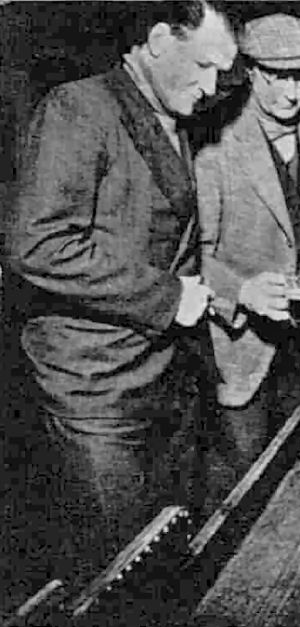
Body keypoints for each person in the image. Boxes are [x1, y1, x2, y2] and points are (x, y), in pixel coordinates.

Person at [4, 0, 236, 594]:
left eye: (222, 73)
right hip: (97, 392)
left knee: (168, 570)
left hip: (161, 382)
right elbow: (37, 244)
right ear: (158, 40)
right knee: (118, 581)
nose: (213, 88)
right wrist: (167, 297)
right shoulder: (80, 107)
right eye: (205, 66)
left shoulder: (172, 116)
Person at [195, 14, 300, 453]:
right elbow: (192, 252)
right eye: (280, 76)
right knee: (249, 475)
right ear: (251, 70)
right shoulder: (212, 134)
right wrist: (240, 291)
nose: (294, 92)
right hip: (244, 346)